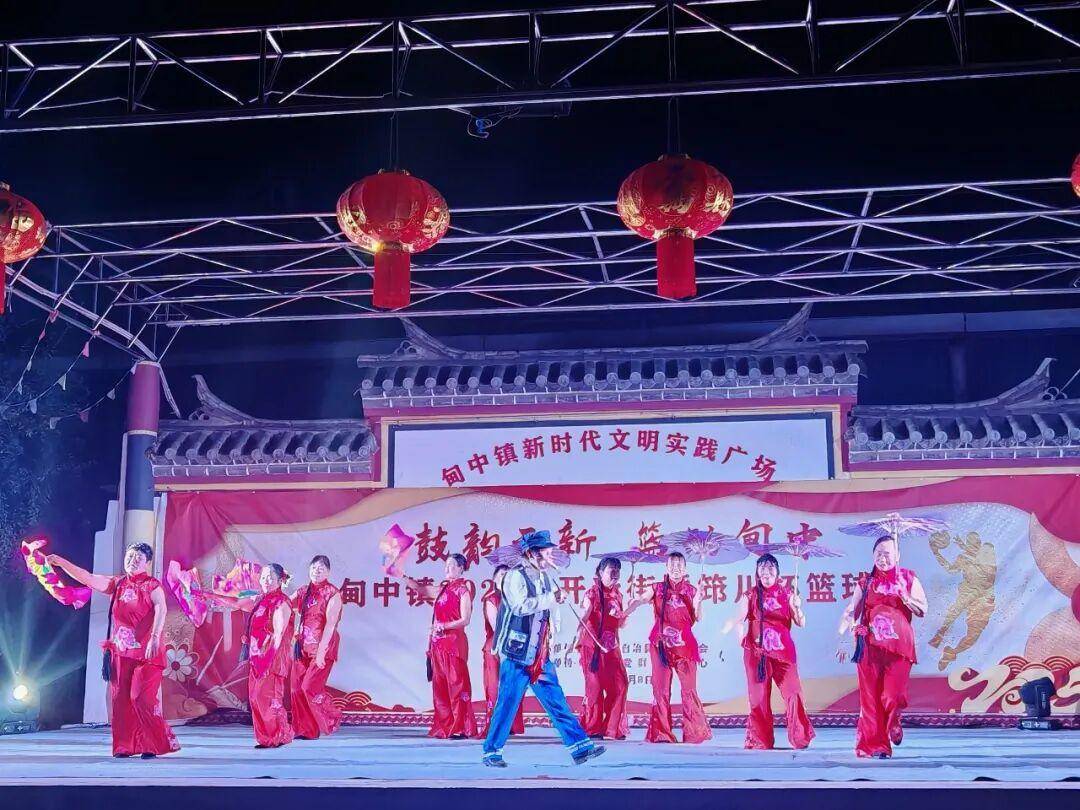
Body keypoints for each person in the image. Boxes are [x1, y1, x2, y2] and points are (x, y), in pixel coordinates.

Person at [482, 530, 606, 768]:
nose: (549, 557)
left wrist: (556, 612)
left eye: (550, 553)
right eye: (546, 553)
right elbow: (520, 607)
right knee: (507, 703)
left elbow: (549, 613)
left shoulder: (546, 577)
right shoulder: (514, 576)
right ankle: (491, 752)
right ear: (532, 553)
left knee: (556, 700)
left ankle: (580, 747)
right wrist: (551, 598)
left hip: (539, 653)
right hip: (517, 653)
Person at [48, 543, 180, 758]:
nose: (132, 560)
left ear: (147, 563)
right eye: (130, 556)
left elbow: (161, 608)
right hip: (121, 652)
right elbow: (87, 577)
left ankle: (153, 743)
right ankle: (124, 746)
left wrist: (155, 636)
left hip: (148, 652)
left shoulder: (152, 585)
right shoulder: (117, 583)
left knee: (141, 698)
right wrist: (61, 563)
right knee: (120, 701)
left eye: (138, 558)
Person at [838, 535, 928, 759]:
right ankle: (877, 745)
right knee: (870, 698)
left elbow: (923, 609)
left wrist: (906, 597)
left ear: (897, 556)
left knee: (893, 695)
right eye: (878, 553)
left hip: (899, 648)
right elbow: (851, 611)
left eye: (887, 553)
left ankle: (894, 719)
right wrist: (843, 637)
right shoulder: (866, 582)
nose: (883, 558)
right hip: (869, 647)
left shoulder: (908, 578)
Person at [725, 553, 813, 750]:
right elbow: (738, 619)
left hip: (783, 654)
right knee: (759, 698)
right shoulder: (751, 595)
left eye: (770, 568)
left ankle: (799, 737)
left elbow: (801, 622)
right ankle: (760, 740)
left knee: (793, 693)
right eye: (762, 568)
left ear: (777, 573)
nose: (766, 572)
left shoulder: (788, 594)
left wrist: (798, 608)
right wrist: (739, 637)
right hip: (757, 654)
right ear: (757, 572)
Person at [625, 551, 711, 744]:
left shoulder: (692, 590)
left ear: (685, 569)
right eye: (672, 564)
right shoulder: (657, 588)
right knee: (660, 690)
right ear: (666, 567)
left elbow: (699, 617)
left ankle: (693, 733)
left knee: (689, 690)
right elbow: (641, 599)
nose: (675, 568)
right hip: (660, 646)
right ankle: (661, 733)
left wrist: (699, 601)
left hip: (685, 647)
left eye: (679, 565)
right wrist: (630, 608)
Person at [212, 563, 296, 748]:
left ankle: (277, 735)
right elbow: (235, 602)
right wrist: (206, 596)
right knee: (255, 698)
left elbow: (279, 635)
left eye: (270, 577)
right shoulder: (260, 599)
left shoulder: (281, 602)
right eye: (263, 577)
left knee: (268, 697)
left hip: (272, 657)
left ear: (280, 580)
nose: (266, 580)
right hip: (257, 656)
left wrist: (268, 658)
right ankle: (269, 736)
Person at [402, 553, 478, 739]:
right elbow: (421, 589)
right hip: (437, 646)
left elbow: (465, 619)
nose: (447, 568)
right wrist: (402, 576)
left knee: (457, 686)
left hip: (453, 645)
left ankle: (461, 727)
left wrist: (444, 626)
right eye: (446, 565)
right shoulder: (443, 588)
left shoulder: (464, 590)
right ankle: (445, 726)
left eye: (451, 565)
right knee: (440, 687)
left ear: (461, 568)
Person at [290, 554, 344, 740]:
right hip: (302, 646)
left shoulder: (333, 594)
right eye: (314, 567)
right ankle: (306, 730)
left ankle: (332, 716)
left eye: (321, 568)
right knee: (296, 689)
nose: (317, 571)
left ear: (328, 572)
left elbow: (330, 625)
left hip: (323, 647)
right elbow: (285, 604)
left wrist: (321, 653)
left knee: (309, 687)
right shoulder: (303, 591)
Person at [577, 556, 629, 740]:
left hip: (611, 647)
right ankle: (593, 728)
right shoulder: (591, 593)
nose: (614, 573)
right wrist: (579, 628)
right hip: (592, 647)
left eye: (617, 570)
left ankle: (611, 727)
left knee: (621, 684)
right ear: (600, 572)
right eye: (610, 570)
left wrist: (624, 614)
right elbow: (585, 613)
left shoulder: (618, 595)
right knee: (595, 687)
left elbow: (621, 625)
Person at [480, 565, 524, 736]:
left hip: (514, 646)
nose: (505, 578)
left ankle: (510, 725)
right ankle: (495, 724)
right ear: (495, 579)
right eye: (501, 575)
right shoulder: (492, 599)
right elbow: (496, 627)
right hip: (496, 646)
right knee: (495, 685)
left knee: (512, 685)